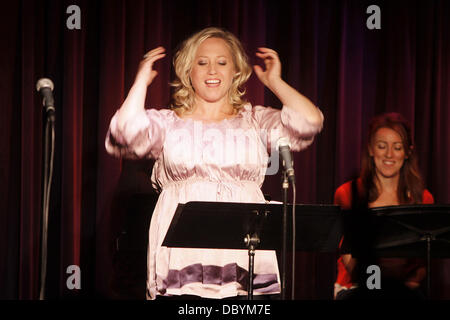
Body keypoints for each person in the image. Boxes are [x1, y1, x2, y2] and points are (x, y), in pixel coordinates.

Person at [105, 27, 324, 299]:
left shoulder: (254, 120)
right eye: (202, 62)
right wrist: (140, 82)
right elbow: (125, 131)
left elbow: (309, 121)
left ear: (235, 71)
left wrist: (275, 82)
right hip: (184, 254)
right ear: (188, 71)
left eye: (222, 63)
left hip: (243, 251)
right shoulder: (168, 123)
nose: (212, 71)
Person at [333, 112, 434, 299]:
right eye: (382, 146)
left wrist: (401, 287)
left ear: (407, 152)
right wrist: (381, 288)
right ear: (371, 149)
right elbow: (349, 256)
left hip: (404, 289)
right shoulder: (347, 194)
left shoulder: (423, 198)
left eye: (397, 147)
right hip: (357, 286)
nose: (389, 155)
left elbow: (422, 262)